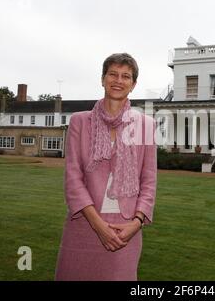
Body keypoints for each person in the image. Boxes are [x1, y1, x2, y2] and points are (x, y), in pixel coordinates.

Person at [55, 53, 157, 281]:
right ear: (102, 79)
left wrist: (137, 222)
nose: (118, 80)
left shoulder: (145, 125)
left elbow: (148, 181)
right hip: (85, 224)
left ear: (133, 84)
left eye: (125, 76)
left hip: (126, 230)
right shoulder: (80, 122)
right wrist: (98, 225)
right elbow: (73, 178)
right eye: (112, 74)